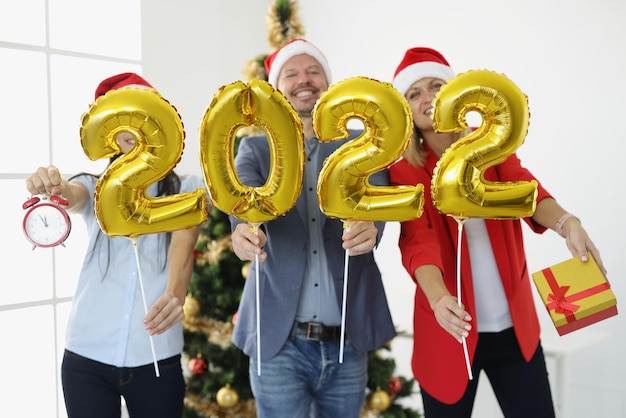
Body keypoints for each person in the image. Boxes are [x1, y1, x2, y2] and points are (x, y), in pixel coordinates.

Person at [388, 47, 606, 418]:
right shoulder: (405, 170)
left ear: (455, 92)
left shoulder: (490, 144)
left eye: (436, 85)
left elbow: (527, 190)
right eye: (414, 93)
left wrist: (568, 223)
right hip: (447, 332)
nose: (427, 98)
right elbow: (417, 238)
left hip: (514, 331)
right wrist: (439, 298)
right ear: (405, 109)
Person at [230, 38, 396, 418]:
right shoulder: (254, 150)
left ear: (328, 82)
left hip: (346, 341)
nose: (304, 80)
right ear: (277, 89)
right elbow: (240, 202)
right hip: (278, 344)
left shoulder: (362, 145)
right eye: (292, 74)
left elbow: (380, 197)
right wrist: (241, 231)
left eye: (313, 71)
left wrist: (374, 225)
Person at [25, 73, 205, 418]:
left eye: (142, 114)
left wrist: (175, 294)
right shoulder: (92, 187)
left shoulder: (186, 188)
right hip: (85, 356)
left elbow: (184, 241)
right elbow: (69, 193)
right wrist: (51, 184)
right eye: (121, 117)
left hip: (155, 355)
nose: (133, 127)